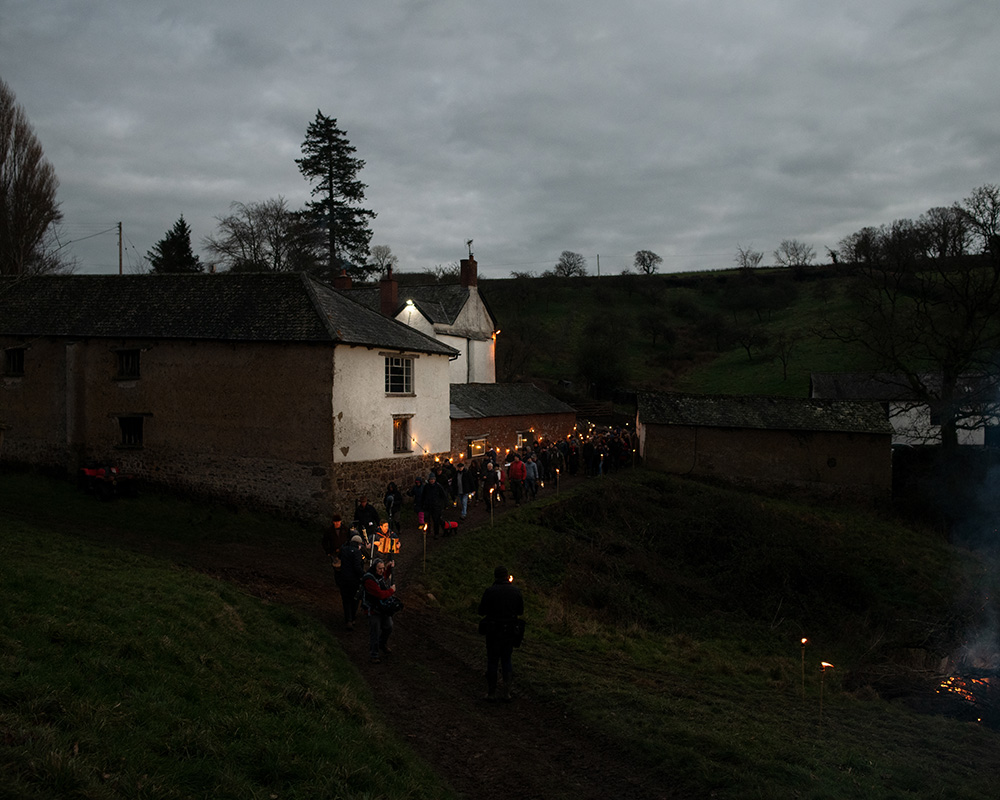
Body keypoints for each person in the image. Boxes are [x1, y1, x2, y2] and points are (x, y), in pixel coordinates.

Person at [478, 565, 524, 701]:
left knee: (492, 660)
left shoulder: (490, 591)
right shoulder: (516, 591)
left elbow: (481, 611)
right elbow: (520, 611)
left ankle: (491, 693)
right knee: (506, 659)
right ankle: (506, 692)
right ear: (506, 576)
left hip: (493, 632)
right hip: (509, 631)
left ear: (495, 576)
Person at [363, 557, 397, 662]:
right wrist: (391, 591)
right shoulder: (369, 579)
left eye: (382, 568)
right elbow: (380, 594)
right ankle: (374, 654)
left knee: (389, 627)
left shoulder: (379, 575)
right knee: (375, 631)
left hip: (382, 608)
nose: (381, 571)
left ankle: (382, 644)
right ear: (374, 568)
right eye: (380, 568)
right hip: (373, 609)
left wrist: (388, 568)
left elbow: (384, 577)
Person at [337, 534, 365, 630]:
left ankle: (347, 619)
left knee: (346, 600)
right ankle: (352, 618)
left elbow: (339, 556)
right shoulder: (357, 552)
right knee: (355, 599)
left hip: (343, 579)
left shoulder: (344, 549)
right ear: (358, 544)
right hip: (354, 580)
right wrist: (364, 575)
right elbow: (357, 567)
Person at [423, 473, 450, 538]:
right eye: (430, 479)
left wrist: (445, 504)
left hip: (437, 506)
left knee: (436, 520)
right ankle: (428, 532)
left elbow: (443, 496)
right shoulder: (426, 487)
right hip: (429, 506)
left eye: (433, 479)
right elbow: (424, 496)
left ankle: (437, 533)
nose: (432, 481)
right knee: (428, 520)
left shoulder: (438, 486)